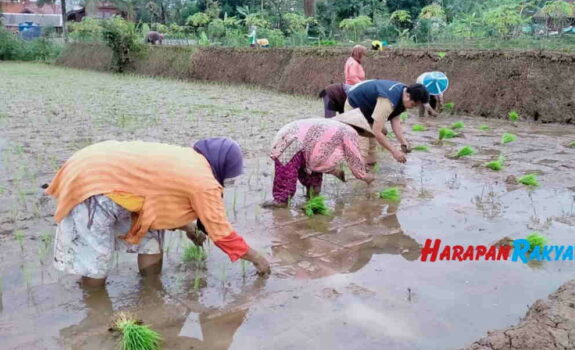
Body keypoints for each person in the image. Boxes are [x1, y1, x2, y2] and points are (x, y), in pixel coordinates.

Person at [45, 138, 270, 288]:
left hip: (101, 165)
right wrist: (258, 259)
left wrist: (189, 227)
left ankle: (151, 290)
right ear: (223, 166)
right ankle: (94, 310)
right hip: (93, 180)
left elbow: (162, 199)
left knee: (153, 232)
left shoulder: (190, 160)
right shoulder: (203, 181)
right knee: (95, 259)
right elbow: (222, 234)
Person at [262, 109, 375, 208]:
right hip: (290, 140)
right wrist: (365, 176)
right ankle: (281, 201)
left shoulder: (334, 126)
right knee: (287, 177)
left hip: (295, 139)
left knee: (312, 178)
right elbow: (354, 157)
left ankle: (311, 197)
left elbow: (322, 154)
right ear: (359, 128)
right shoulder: (349, 131)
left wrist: (334, 170)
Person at [344, 79, 430, 164]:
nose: (413, 107)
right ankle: (354, 174)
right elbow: (376, 132)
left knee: (372, 155)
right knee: (363, 148)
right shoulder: (387, 101)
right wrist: (394, 151)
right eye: (413, 105)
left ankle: (368, 171)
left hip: (368, 111)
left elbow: (395, 121)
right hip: (354, 106)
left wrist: (403, 142)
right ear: (408, 95)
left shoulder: (404, 95)